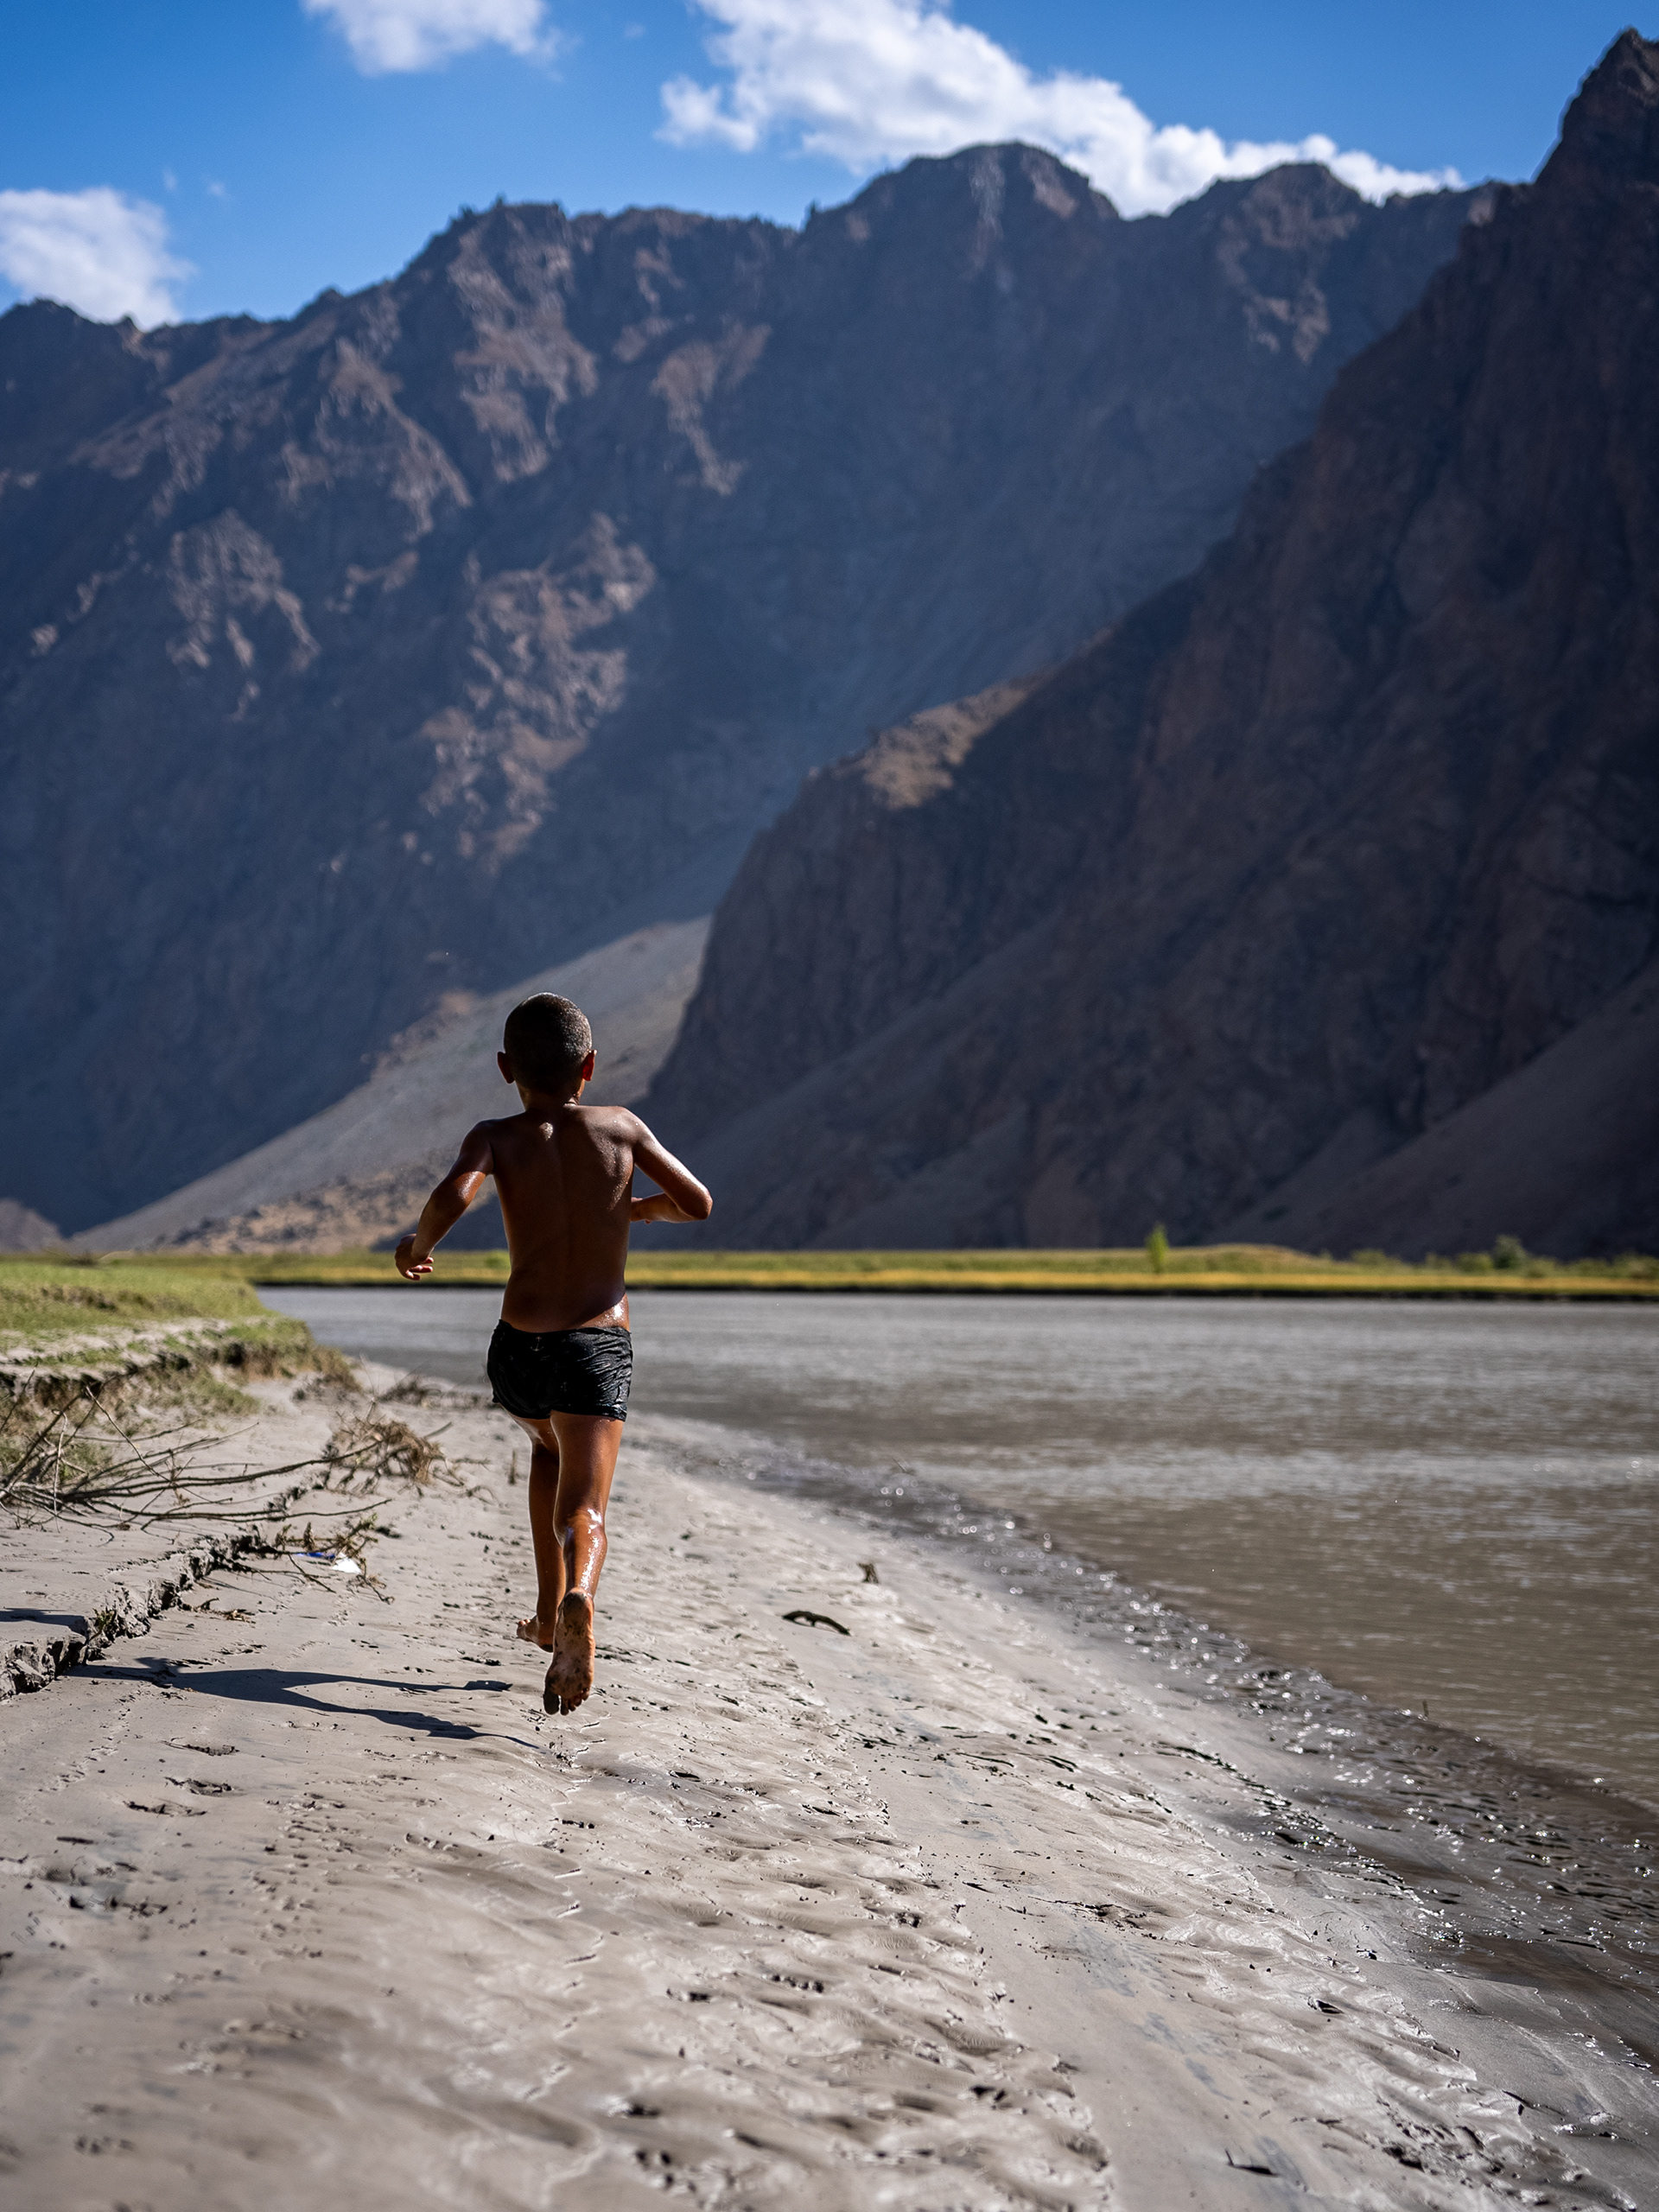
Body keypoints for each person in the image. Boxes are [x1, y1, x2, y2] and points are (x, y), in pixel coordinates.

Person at [394, 992, 712, 1714]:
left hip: (519, 1351)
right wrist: (635, 1211)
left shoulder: (496, 1134)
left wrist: (418, 1248)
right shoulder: (623, 1128)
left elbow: (453, 1194)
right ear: (590, 1067)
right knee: (587, 1510)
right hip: (595, 1342)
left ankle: (544, 1617)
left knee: (546, 1450)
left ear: (507, 1068)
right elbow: (696, 1202)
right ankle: (578, 1594)